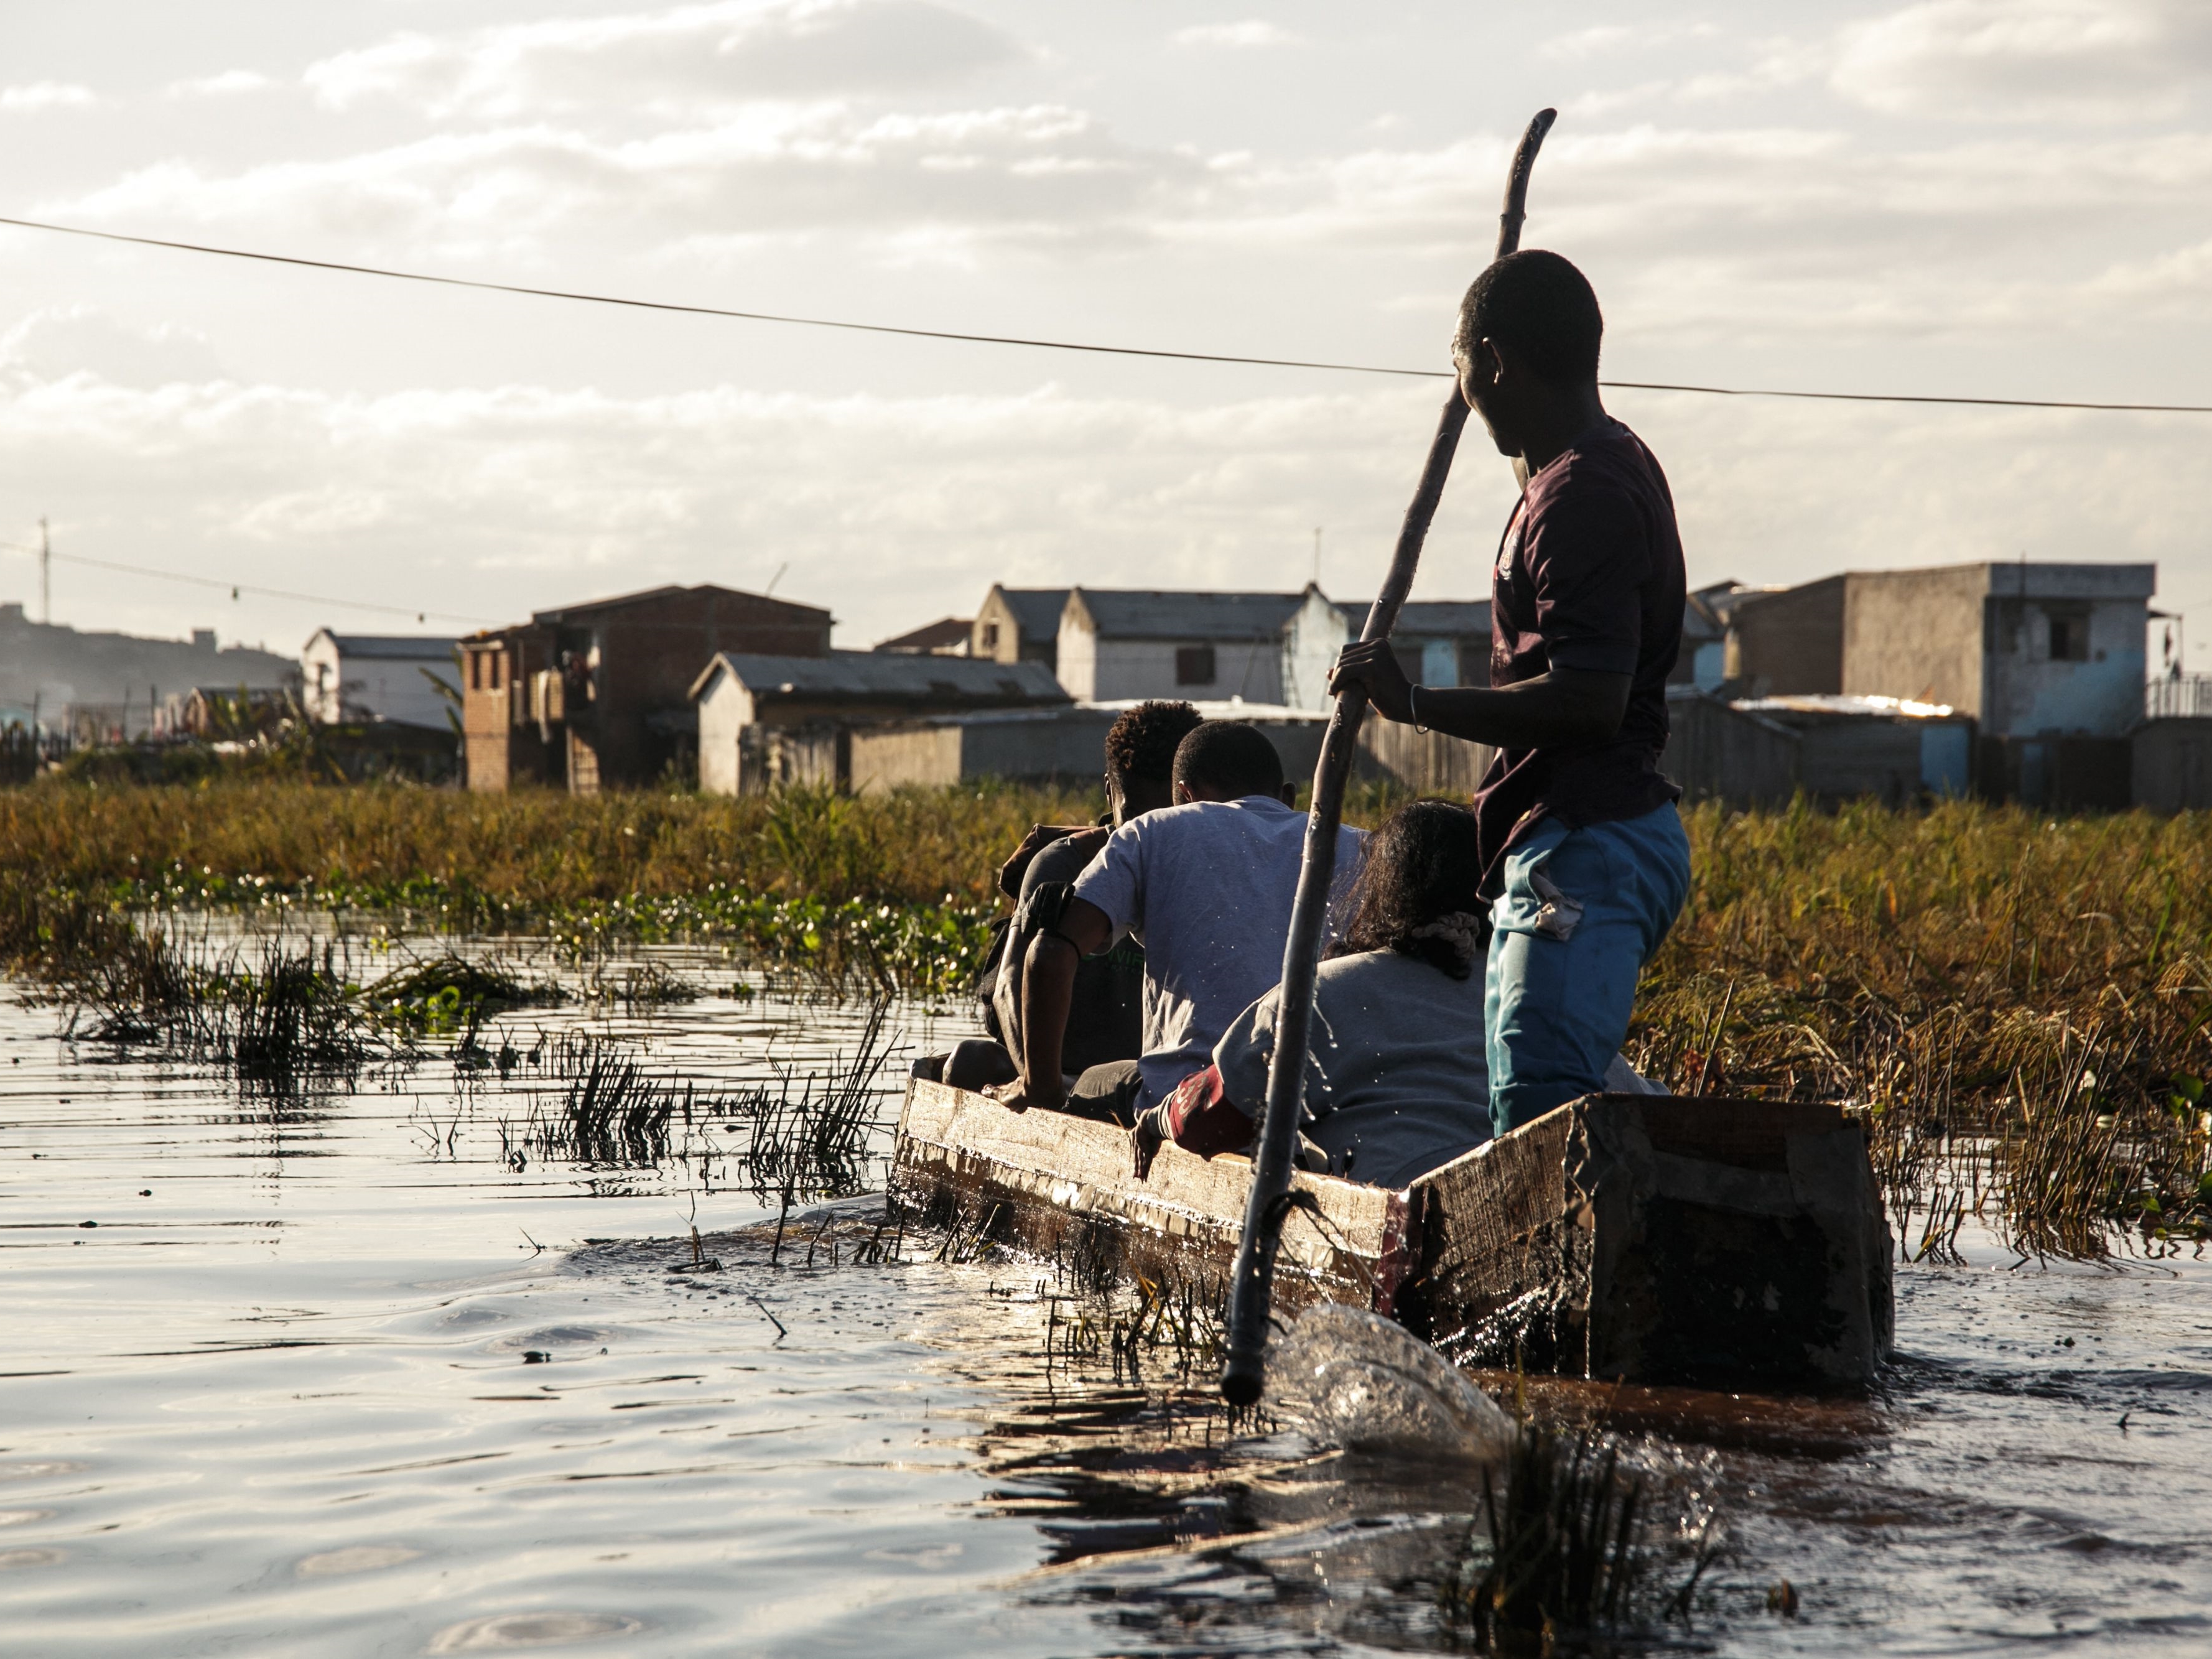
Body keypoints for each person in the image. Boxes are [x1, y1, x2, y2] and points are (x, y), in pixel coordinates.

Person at [1330, 248, 1691, 1140]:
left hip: (1589, 838)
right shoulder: (1579, 474)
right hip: (1566, 839)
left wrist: (1413, 702)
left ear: (1494, 360)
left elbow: (1588, 701)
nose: (1455, 389)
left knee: (1540, 1112)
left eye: (1458, 364)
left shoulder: (1583, 492)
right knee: (1521, 1103)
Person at [1130, 800, 1655, 1187]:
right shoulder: (1536, 997)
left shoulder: (1325, 991)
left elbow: (1204, 1118)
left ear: (1385, 892)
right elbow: (1642, 1106)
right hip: (1538, 1193)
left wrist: (1153, 1118)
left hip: (1405, 1211)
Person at [986, 719, 1364, 1127]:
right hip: (1329, 1105)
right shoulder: (1361, 848)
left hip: (1187, 1103)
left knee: (1092, 1080)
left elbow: (1049, 954)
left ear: (1182, 795)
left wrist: (1039, 1087)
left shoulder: (1151, 832)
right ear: (1287, 796)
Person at [940, 700, 1202, 1092]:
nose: (1144, 840)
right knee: (969, 1062)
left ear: (1189, 799)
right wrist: (1039, 1081)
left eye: (1163, 820)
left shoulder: (1210, 866)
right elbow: (1011, 984)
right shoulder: (1063, 866)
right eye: (1134, 821)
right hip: (1057, 1071)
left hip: (1148, 1076)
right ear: (1110, 791)